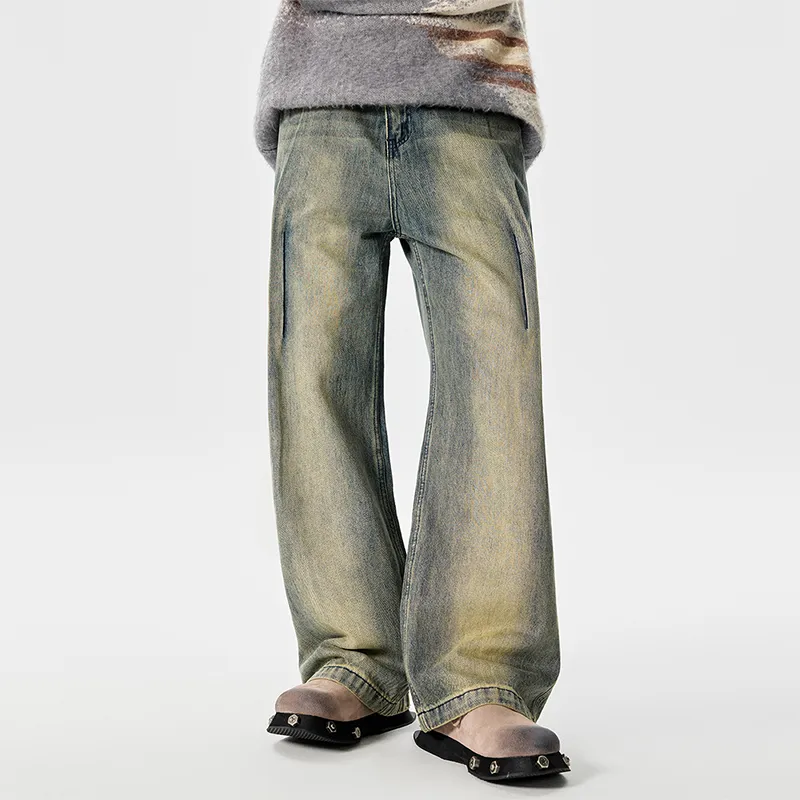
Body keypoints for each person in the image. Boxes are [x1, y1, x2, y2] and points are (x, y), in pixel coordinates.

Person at [254, 1, 570, 782]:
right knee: (314, 382)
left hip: (470, 89)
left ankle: (483, 677)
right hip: (319, 93)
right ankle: (353, 658)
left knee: (493, 386)